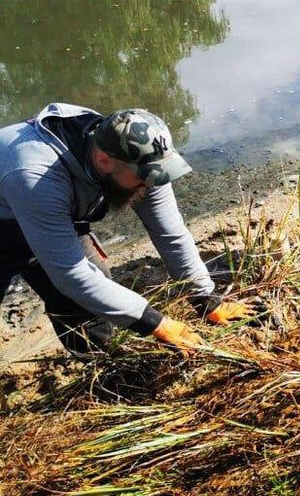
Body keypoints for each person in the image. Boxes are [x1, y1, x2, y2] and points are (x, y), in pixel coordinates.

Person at [0, 104, 255, 357]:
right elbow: (72, 275)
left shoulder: (139, 158)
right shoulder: (36, 177)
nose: (150, 184)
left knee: (87, 296)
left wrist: (205, 297)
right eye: (144, 177)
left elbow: (170, 232)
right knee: (77, 283)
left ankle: (98, 365)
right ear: (103, 160)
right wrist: (157, 323)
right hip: (11, 216)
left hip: (45, 211)